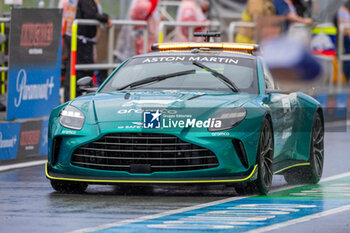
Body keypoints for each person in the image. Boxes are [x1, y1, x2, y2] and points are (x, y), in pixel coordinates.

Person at [338, 1, 350, 80]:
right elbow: (344, 27)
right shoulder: (342, 10)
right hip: (346, 37)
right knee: (347, 57)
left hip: (347, 36)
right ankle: (347, 76)